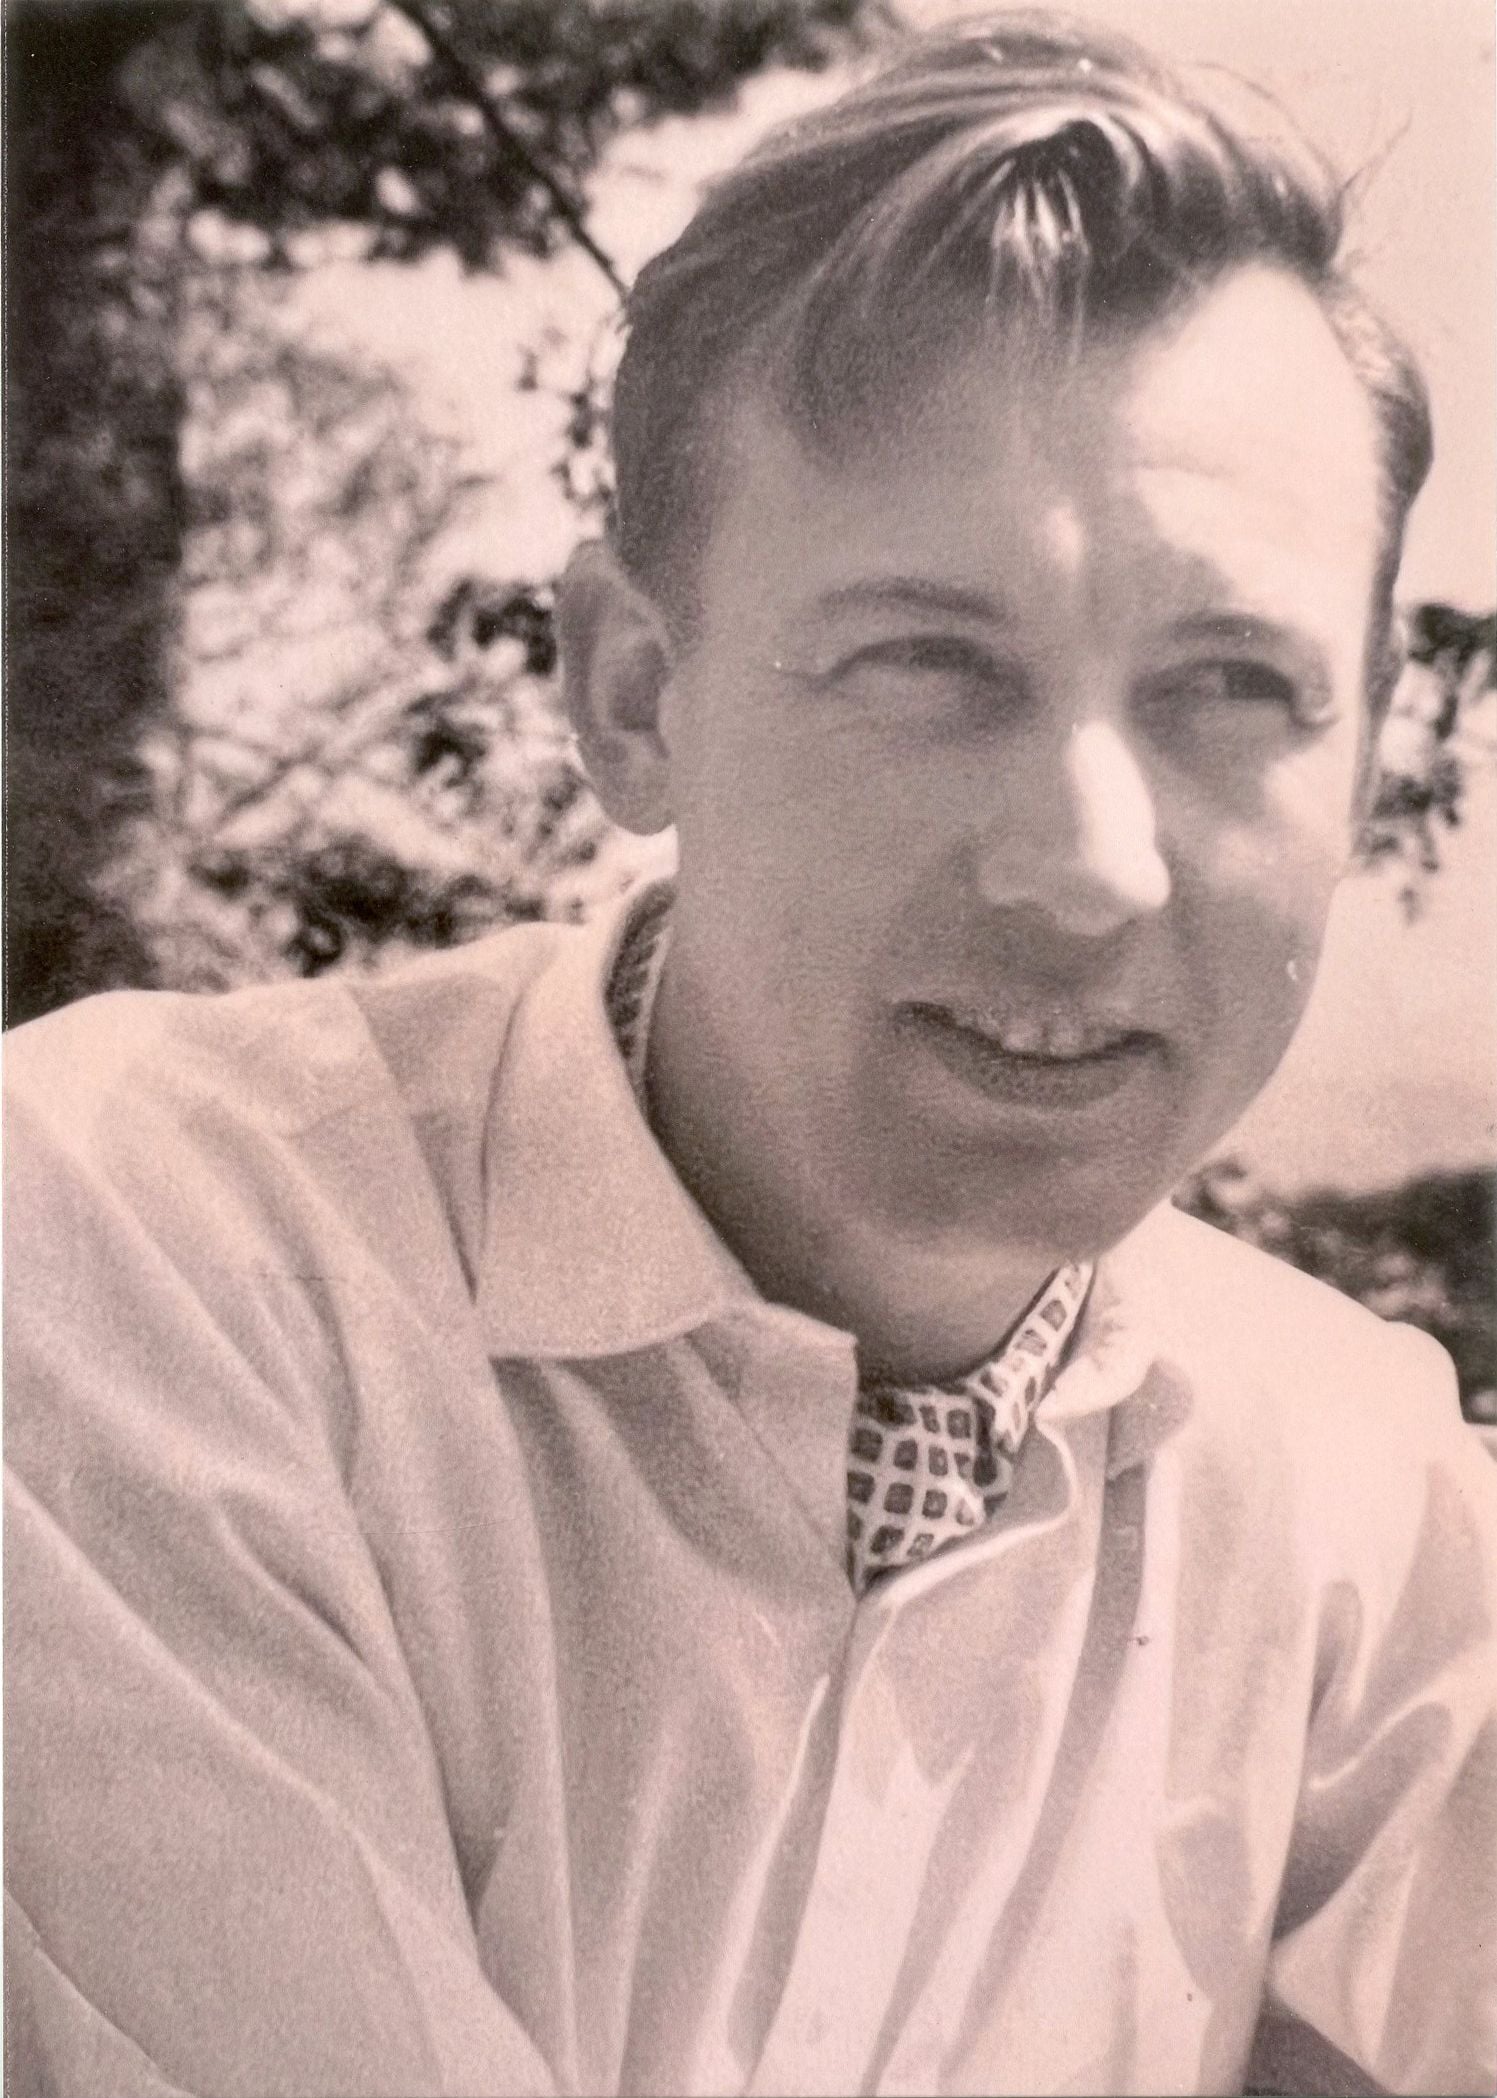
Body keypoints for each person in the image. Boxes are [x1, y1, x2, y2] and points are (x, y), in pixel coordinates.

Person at [6, 12, 1495, 2096]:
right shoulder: (118, 1255)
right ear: (631, 691)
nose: (1084, 866)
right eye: (924, 662)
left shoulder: (1369, 1515)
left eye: (1230, 686)